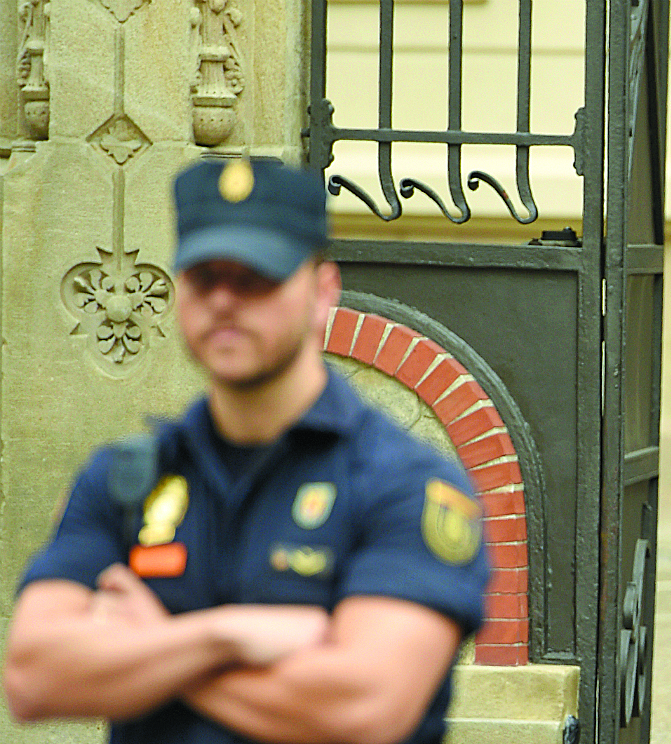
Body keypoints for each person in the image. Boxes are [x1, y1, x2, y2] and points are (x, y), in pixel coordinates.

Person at [3, 157, 491, 744]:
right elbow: (34, 677)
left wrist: (151, 644)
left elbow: (365, 709)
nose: (226, 301)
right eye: (205, 277)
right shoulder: (124, 479)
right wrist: (223, 636)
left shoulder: (404, 485)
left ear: (323, 290)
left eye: (257, 277)